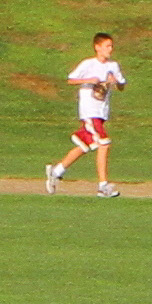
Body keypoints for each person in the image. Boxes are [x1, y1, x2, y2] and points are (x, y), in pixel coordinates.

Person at [44, 32, 125, 196]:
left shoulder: (113, 66)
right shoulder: (88, 64)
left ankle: (56, 171)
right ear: (97, 47)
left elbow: (122, 86)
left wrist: (115, 82)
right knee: (104, 144)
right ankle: (103, 186)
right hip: (89, 111)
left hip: (101, 112)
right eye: (107, 46)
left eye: (111, 46)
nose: (110, 49)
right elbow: (70, 79)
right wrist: (88, 80)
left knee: (84, 145)